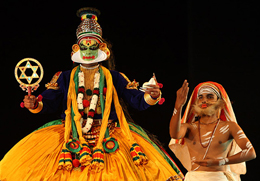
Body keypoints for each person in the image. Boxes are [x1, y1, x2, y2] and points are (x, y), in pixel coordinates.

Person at [0, 7, 184, 181]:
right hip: (69, 135)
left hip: (108, 136)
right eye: (84, 46)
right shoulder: (64, 78)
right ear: (76, 49)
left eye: (92, 46)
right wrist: (34, 104)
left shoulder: (114, 77)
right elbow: (47, 103)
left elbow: (137, 100)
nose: (88, 51)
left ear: (102, 48)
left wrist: (151, 95)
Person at [169, 80, 256, 181]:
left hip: (218, 177)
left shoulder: (230, 127)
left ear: (220, 102)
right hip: (193, 178)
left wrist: (219, 162)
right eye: (200, 97)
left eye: (210, 97)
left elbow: (251, 152)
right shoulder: (189, 127)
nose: (204, 100)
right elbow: (174, 134)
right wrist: (178, 106)